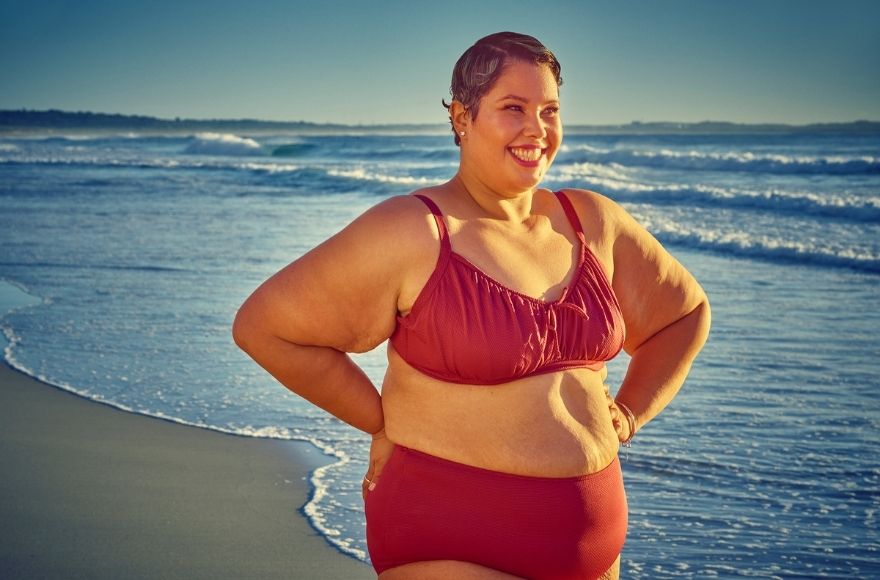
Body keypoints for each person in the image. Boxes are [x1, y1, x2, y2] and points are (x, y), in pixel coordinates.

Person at [233, 31, 711, 580]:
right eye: (514, 108)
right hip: (451, 537)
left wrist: (629, 413)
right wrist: (377, 420)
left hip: (594, 551)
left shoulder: (593, 222)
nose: (537, 129)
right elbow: (264, 326)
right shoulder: (412, 230)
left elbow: (684, 314)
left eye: (550, 110)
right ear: (463, 116)